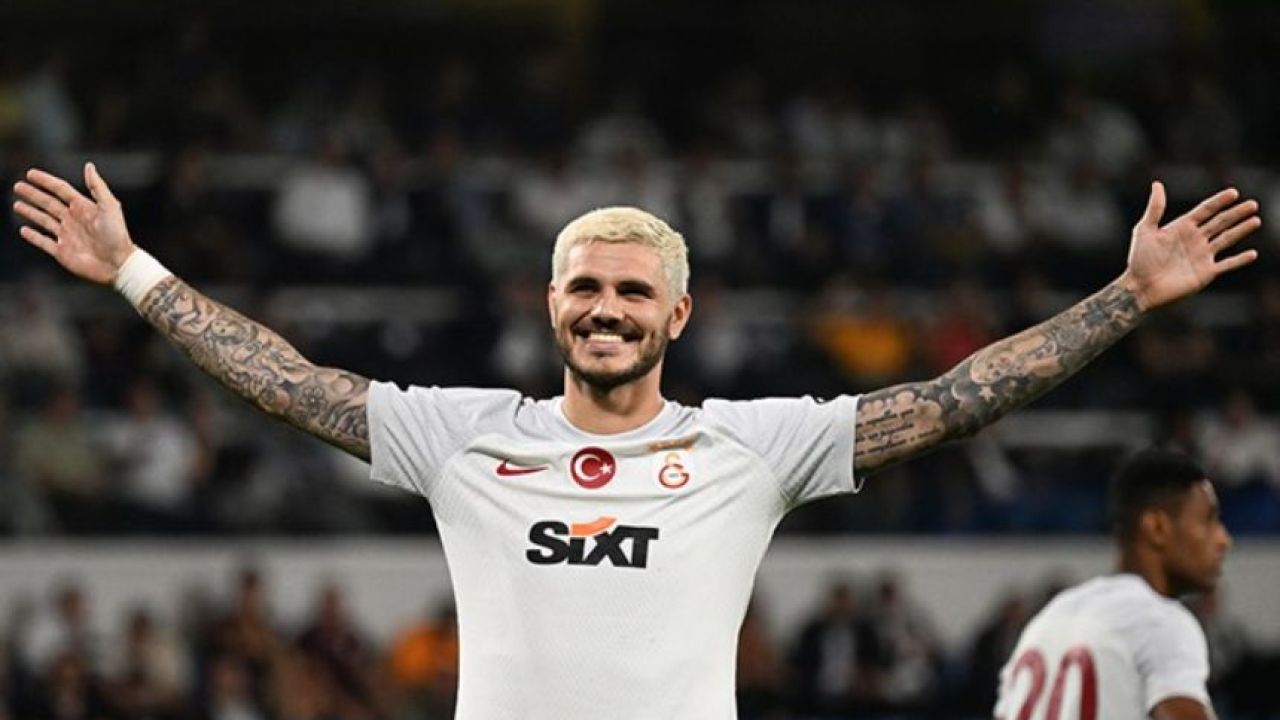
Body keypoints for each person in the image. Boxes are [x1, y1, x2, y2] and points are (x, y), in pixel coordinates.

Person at [10, 162, 1260, 719]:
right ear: (548, 304)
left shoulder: (750, 447)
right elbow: (287, 383)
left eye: (629, 291)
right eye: (583, 287)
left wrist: (1124, 299)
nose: (604, 308)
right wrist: (131, 271)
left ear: (677, 314)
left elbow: (952, 399)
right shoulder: (461, 437)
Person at [993, 448, 1232, 720]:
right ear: (1157, 527)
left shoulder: (1046, 620)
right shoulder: (1159, 620)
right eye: (1207, 520)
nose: (1223, 539)